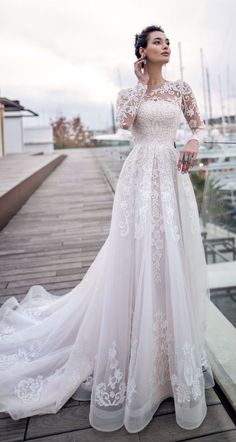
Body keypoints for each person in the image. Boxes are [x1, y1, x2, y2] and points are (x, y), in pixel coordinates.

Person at [0, 24, 215, 433]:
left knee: (170, 256)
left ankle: (169, 358)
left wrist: (192, 143)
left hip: (170, 179)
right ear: (142, 52)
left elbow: (199, 126)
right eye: (157, 42)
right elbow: (125, 122)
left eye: (168, 41)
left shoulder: (182, 89)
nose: (166, 46)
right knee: (138, 255)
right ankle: (136, 346)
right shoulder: (128, 94)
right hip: (138, 178)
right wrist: (138, 86)